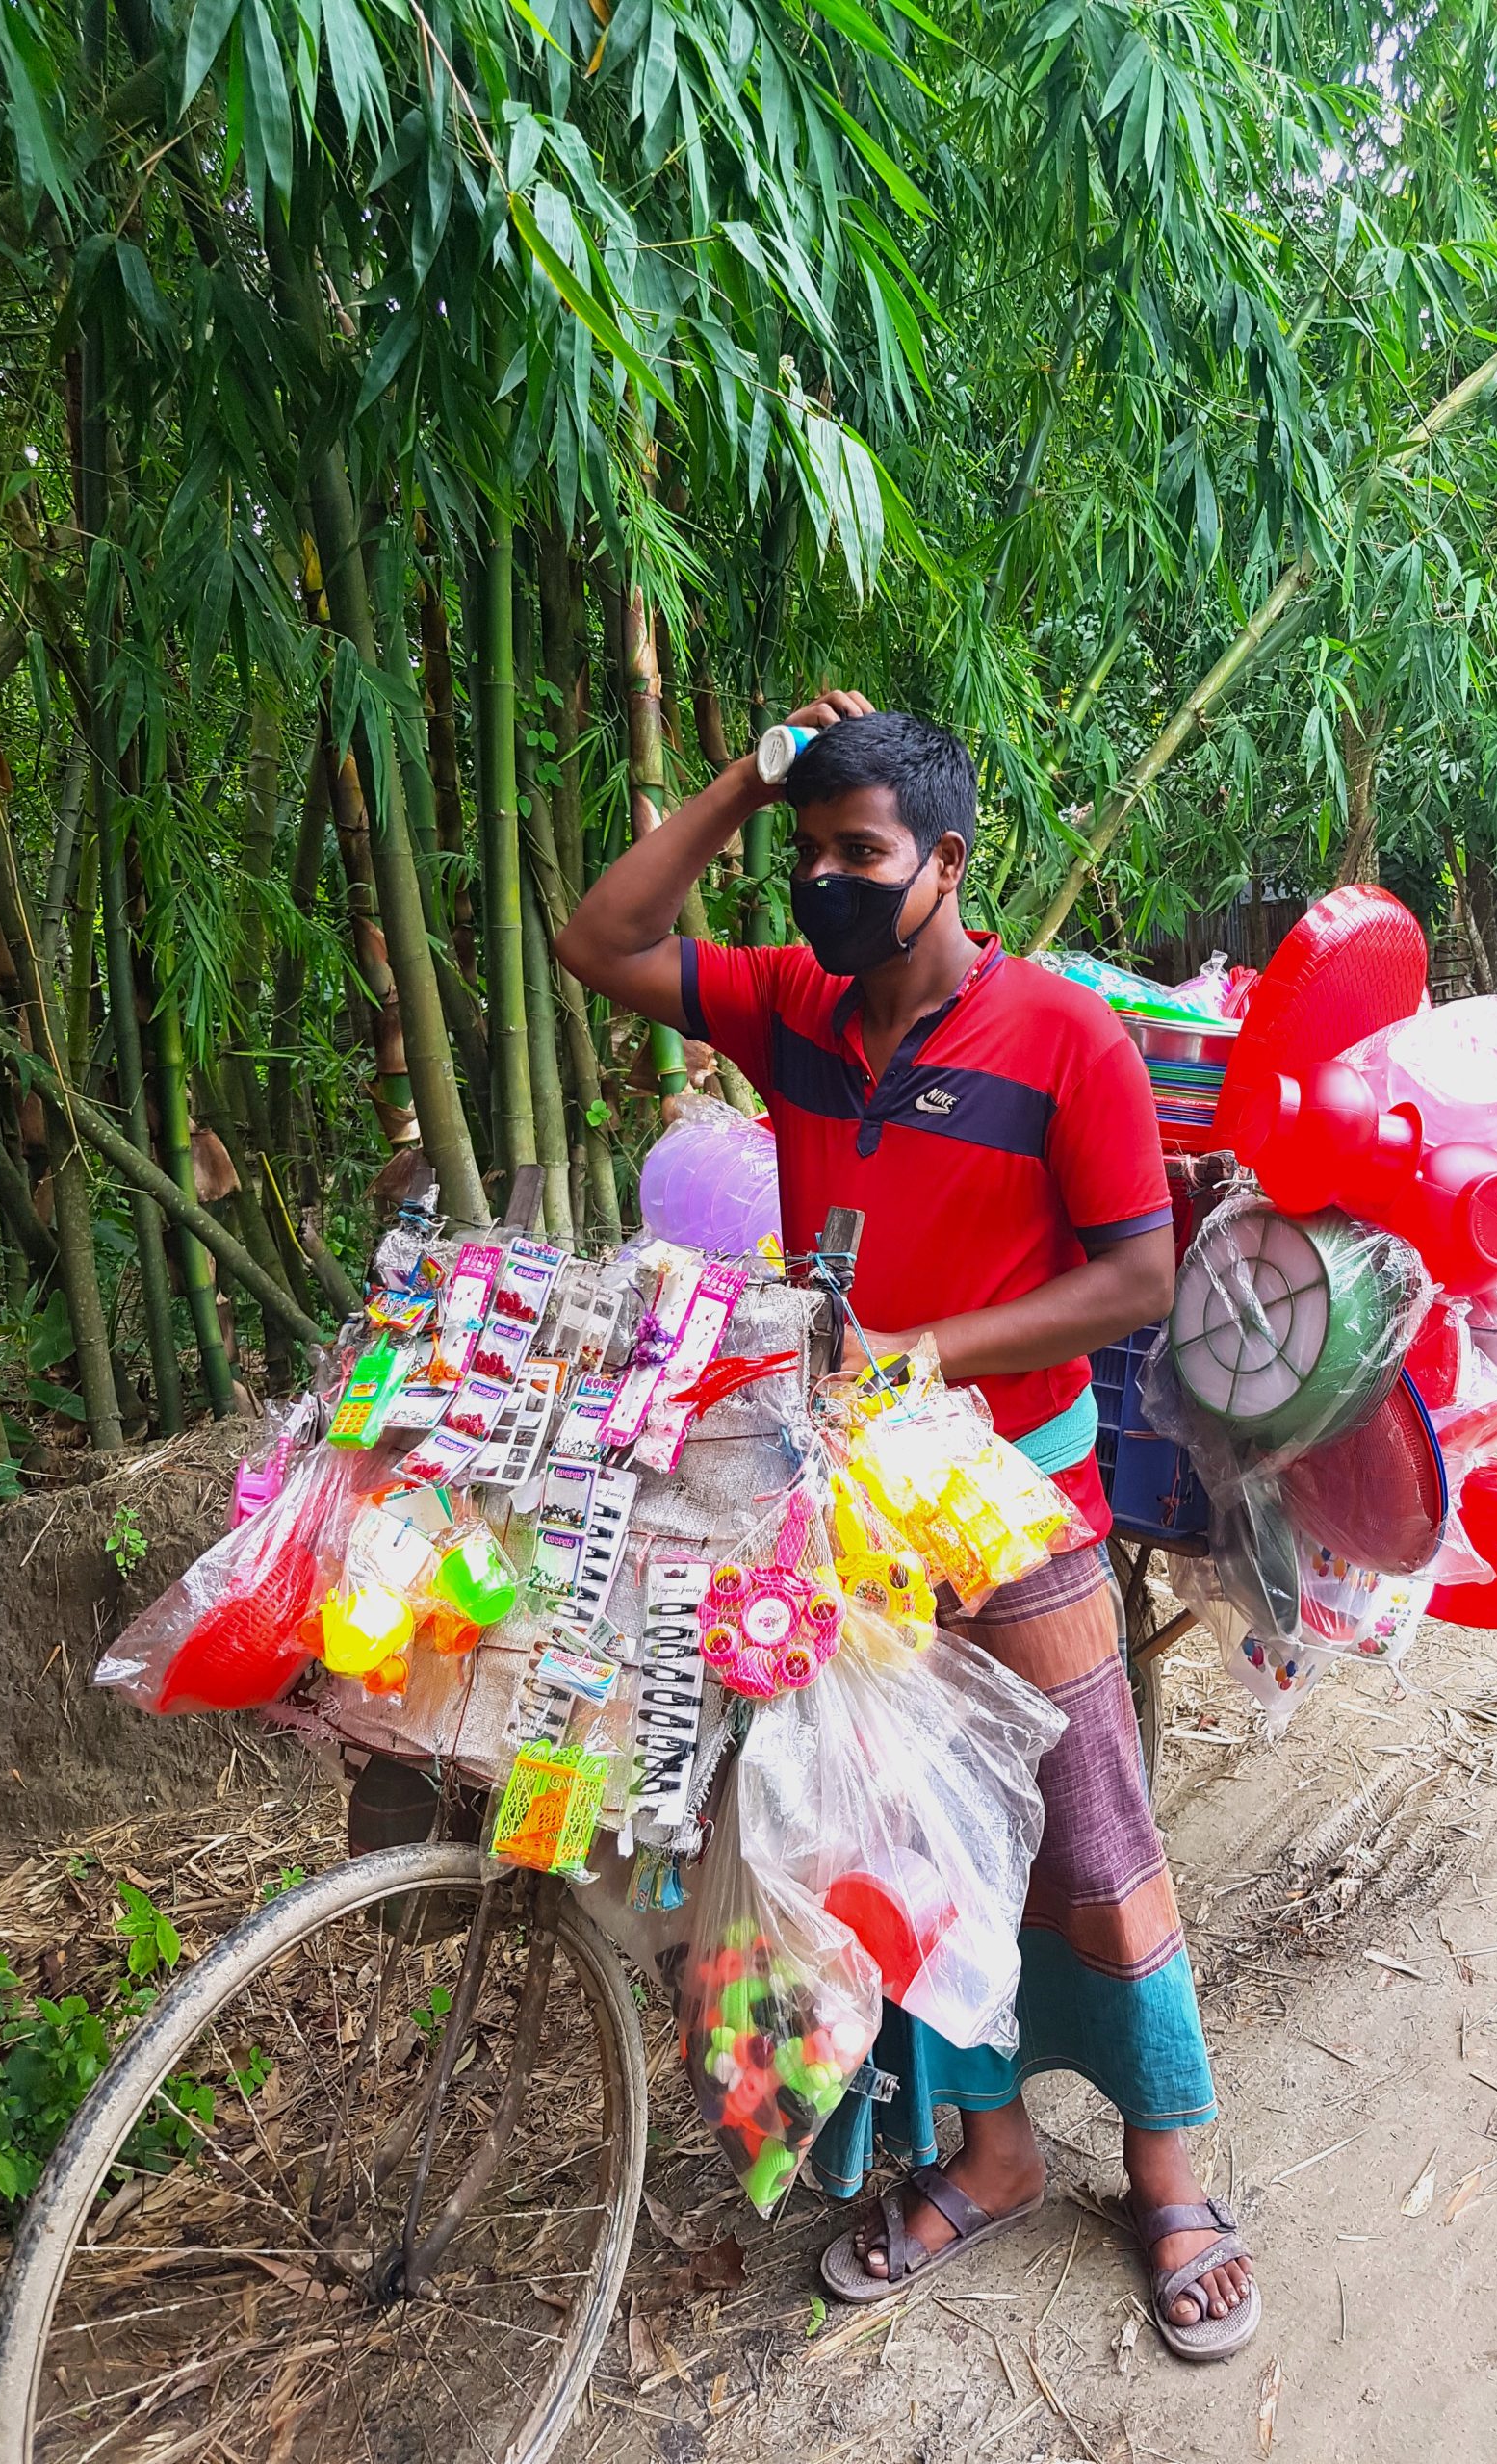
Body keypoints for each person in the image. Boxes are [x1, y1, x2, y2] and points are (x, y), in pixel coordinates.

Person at [555, 696, 1259, 2360]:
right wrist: (749, 782)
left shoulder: (1065, 1039)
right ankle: (993, 2156)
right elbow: (601, 939)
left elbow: (1137, 1278)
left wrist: (926, 1349)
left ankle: (1169, 2178)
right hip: (846, 1515)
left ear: (945, 864)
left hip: (1014, 1506)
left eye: (858, 853)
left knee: (1090, 1848)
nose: (824, 882)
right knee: (900, 1858)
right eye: (809, 853)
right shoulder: (793, 1008)